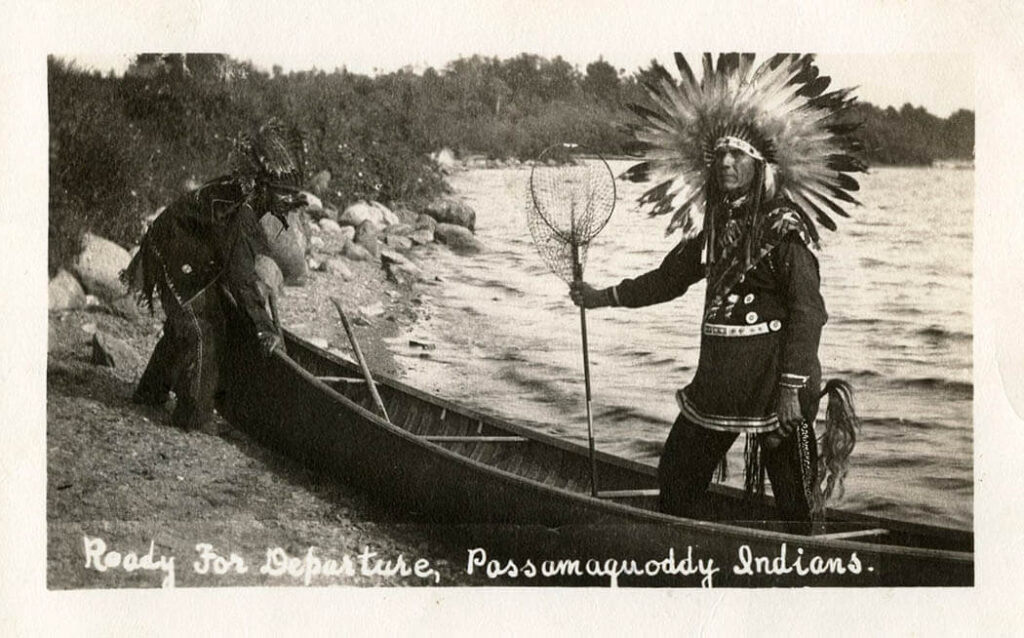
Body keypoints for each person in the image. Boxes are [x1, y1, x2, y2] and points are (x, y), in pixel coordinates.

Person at [570, 53, 864, 526]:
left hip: (774, 387)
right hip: (717, 383)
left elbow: (809, 312)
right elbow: (668, 280)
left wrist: (791, 390)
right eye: (720, 155)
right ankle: (689, 552)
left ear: (760, 164)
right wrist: (601, 295)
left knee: (793, 498)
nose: (726, 162)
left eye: (738, 155)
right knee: (677, 477)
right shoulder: (714, 228)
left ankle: (800, 566)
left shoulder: (785, 229)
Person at [122, 119, 309, 433]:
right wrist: (264, 328)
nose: (288, 208)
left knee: (184, 325)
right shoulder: (242, 211)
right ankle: (193, 415)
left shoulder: (245, 196)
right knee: (202, 328)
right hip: (173, 251)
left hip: (186, 249)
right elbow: (239, 275)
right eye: (285, 199)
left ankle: (150, 391)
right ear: (266, 188)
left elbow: (236, 264)